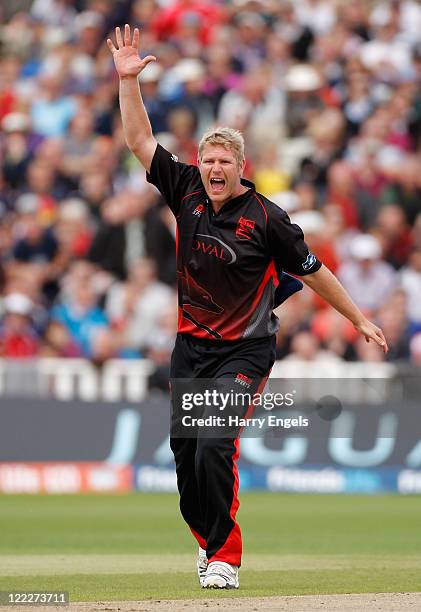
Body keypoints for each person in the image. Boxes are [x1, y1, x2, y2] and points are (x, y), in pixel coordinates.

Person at [107, 25, 388, 590]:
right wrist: (129, 83)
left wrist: (356, 317)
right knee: (186, 457)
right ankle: (208, 542)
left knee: (215, 442)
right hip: (190, 348)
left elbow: (314, 273)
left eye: (222, 164)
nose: (212, 170)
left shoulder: (267, 217)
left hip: (245, 351)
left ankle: (225, 557)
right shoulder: (183, 186)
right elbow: (139, 141)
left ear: (239, 167)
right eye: (207, 160)